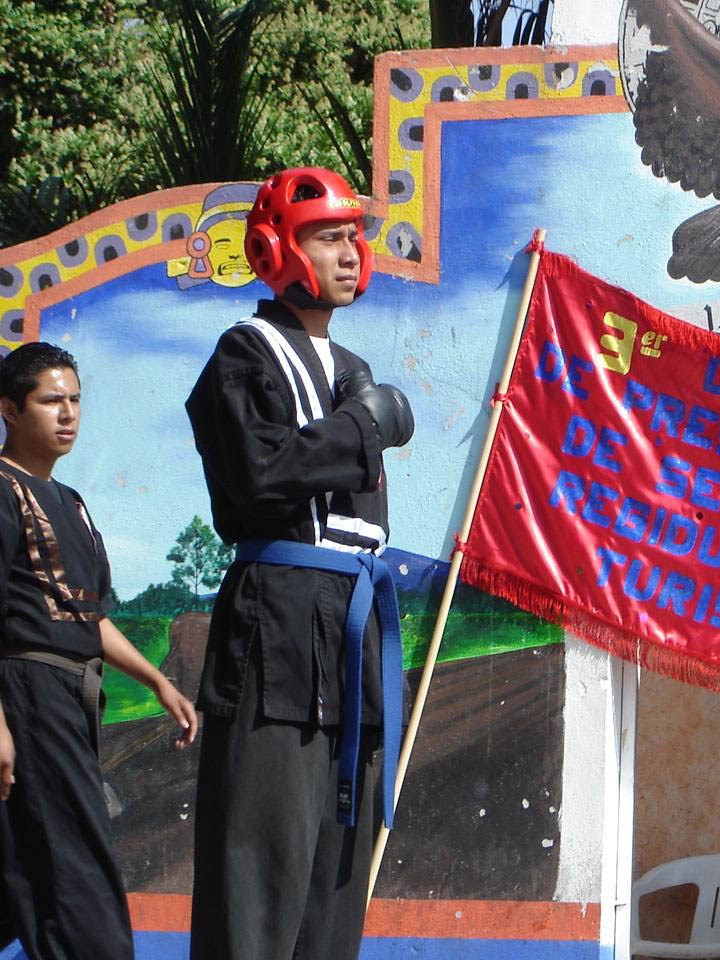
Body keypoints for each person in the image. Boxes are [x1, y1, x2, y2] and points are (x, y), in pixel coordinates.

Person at [185, 167, 414, 960]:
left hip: (352, 624)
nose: (351, 252)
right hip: (277, 616)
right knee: (259, 878)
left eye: (355, 235)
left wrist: (360, 414)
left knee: (335, 884)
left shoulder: (348, 363)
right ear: (278, 247)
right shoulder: (245, 353)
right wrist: (363, 427)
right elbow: (258, 476)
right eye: (329, 237)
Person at [0, 342, 197, 960]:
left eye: (75, 400)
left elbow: (89, 618)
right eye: (49, 401)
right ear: (9, 409)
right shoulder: (2, 490)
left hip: (70, 695)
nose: (68, 414)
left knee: (30, 868)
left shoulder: (72, 504)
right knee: (77, 864)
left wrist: (157, 682)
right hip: (26, 693)